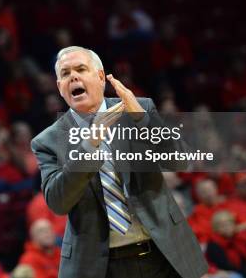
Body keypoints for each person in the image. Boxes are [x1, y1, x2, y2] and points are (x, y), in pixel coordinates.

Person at [31, 46, 207, 278]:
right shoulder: (49, 141)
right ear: (60, 88)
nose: (73, 76)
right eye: (65, 73)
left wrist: (142, 121)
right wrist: (89, 146)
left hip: (163, 254)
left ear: (101, 77)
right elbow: (58, 202)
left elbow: (179, 161)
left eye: (81, 69)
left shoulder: (138, 107)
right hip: (102, 267)